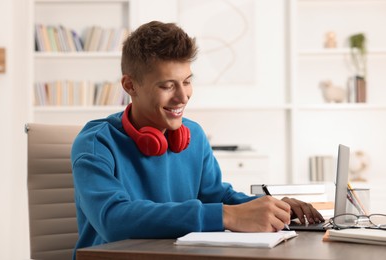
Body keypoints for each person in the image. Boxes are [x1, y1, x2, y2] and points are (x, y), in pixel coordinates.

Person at [71, 21, 324, 257]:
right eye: (167, 86)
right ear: (130, 86)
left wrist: (273, 209)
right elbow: (114, 220)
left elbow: (217, 196)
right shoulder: (95, 143)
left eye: (187, 81)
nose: (183, 97)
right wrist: (226, 216)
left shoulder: (193, 135)